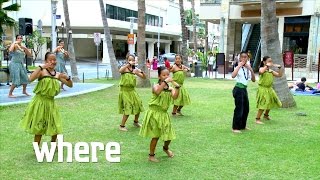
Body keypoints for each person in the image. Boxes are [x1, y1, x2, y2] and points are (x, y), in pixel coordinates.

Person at [20, 52, 73, 146]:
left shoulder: (57, 74)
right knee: (39, 125)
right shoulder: (42, 71)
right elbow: (30, 79)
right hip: (40, 102)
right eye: (50, 60)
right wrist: (41, 67)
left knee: (55, 124)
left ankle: (53, 145)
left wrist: (68, 78)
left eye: (54, 60)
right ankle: (36, 146)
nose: (53, 62)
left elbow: (70, 85)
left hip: (51, 103)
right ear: (46, 61)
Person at [139, 66, 180, 162]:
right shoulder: (155, 86)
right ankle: (151, 155)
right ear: (159, 76)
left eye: (167, 75)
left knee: (169, 136)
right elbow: (157, 92)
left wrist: (177, 88)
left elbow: (174, 97)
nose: (166, 76)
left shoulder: (169, 88)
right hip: (154, 113)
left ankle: (165, 148)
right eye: (163, 75)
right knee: (156, 136)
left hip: (164, 114)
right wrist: (166, 82)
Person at [118, 54, 146, 131]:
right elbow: (120, 71)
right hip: (125, 91)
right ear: (127, 60)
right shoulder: (124, 68)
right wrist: (127, 65)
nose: (131, 61)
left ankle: (136, 122)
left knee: (138, 105)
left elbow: (144, 77)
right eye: (129, 60)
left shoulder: (134, 70)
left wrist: (141, 71)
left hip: (132, 90)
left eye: (133, 60)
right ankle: (122, 126)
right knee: (128, 107)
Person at [231, 52, 256, 133]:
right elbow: (233, 75)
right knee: (239, 109)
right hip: (238, 89)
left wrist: (250, 69)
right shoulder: (237, 66)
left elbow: (253, 80)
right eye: (243, 57)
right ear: (240, 58)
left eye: (246, 57)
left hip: (244, 89)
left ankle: (242, 125)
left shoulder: (247, 67)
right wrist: (239, 65)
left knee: (246, 109)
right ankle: (235, 128)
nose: (244, 59)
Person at [255, 56, 282, 124]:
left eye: (271, 61)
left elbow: (279, 75)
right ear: (264, 62)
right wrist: (267, 65)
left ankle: (266, 115)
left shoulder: (270, 71)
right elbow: (261, 71)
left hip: (269, 88)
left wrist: (279, 68)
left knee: (270, 102)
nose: (270, 62)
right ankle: (257, 119)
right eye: (269, 61)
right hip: (263, 89)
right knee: (263, 103)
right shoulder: (262, 69)